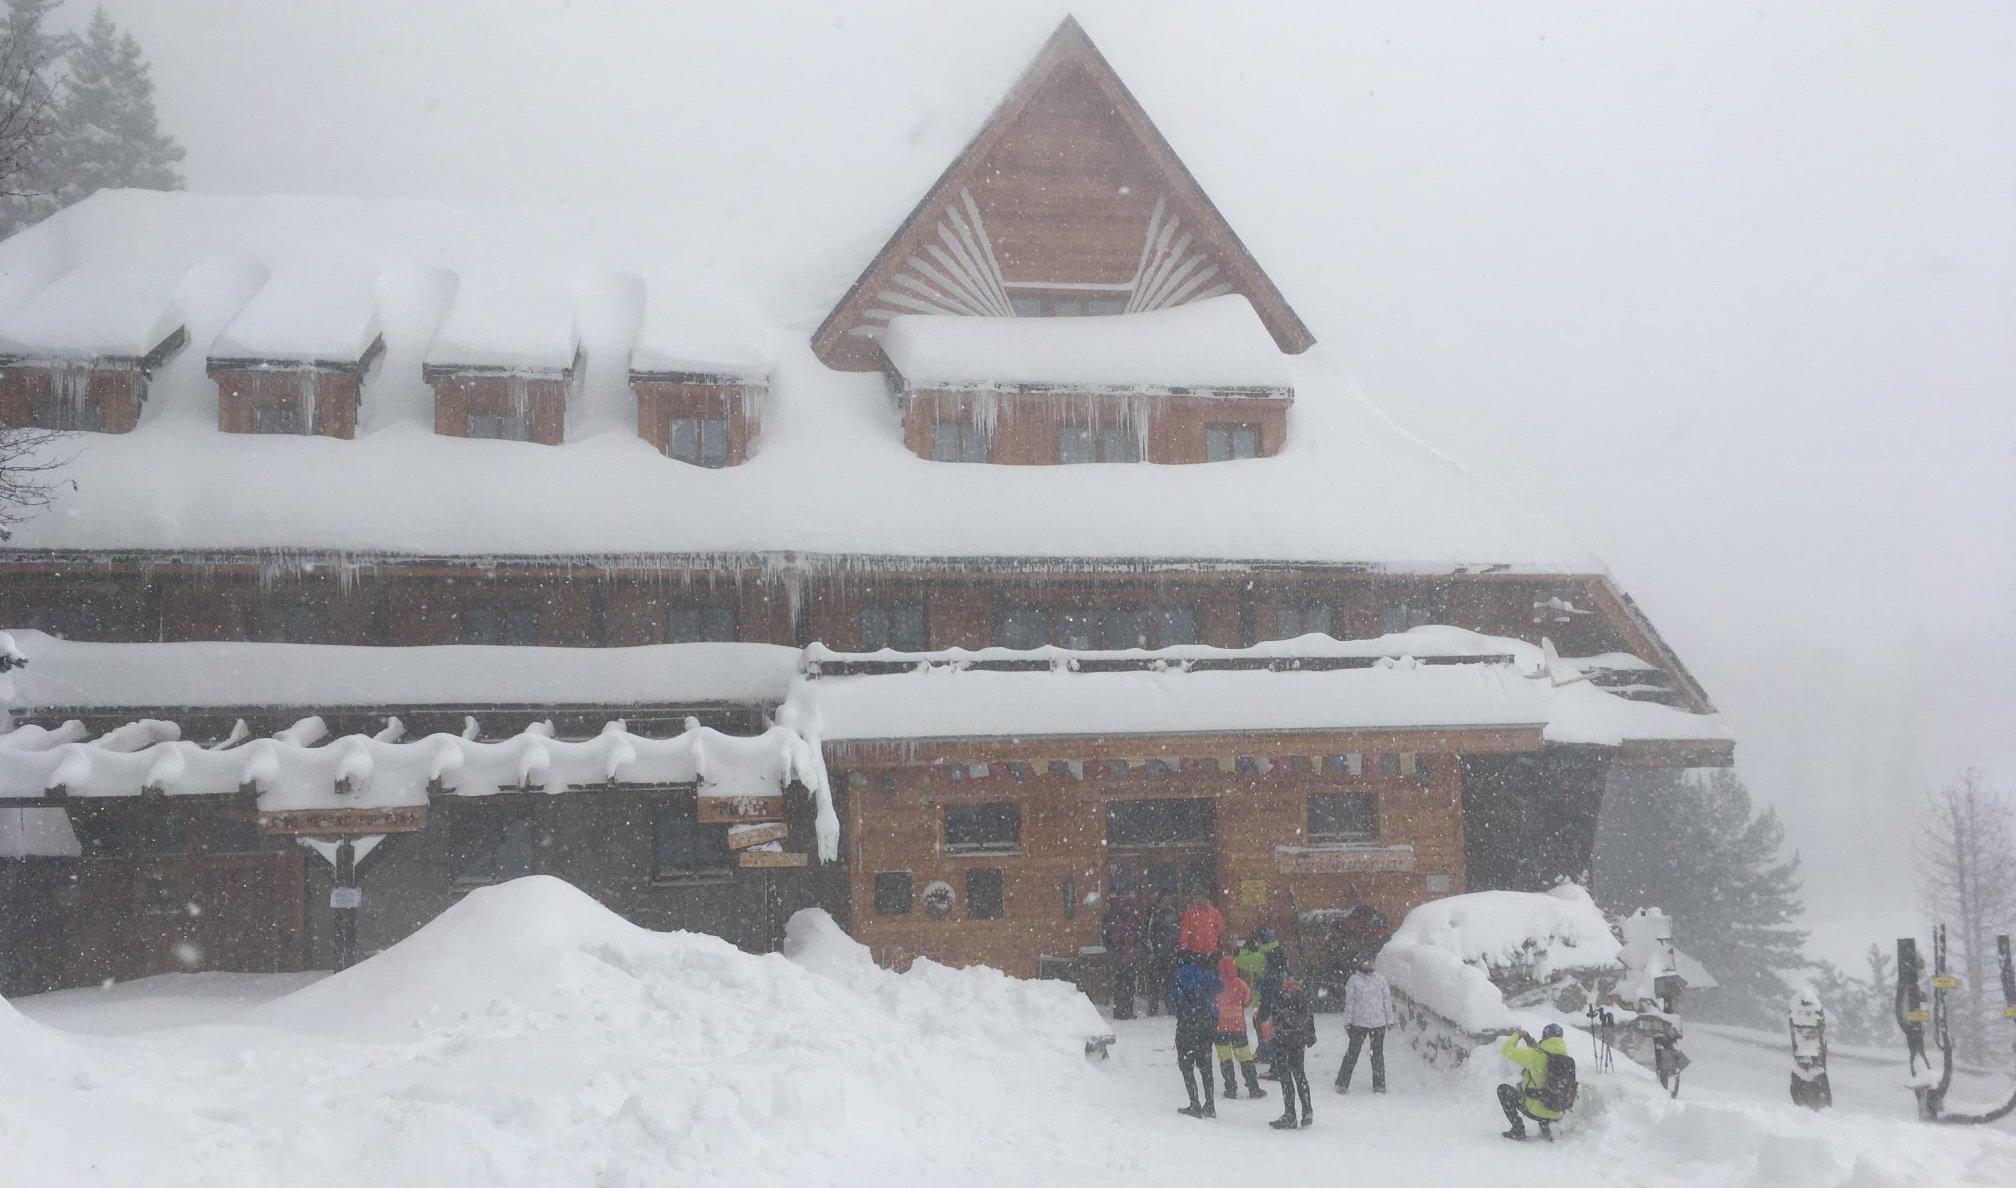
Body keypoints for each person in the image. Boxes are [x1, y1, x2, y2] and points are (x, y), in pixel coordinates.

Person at [1497, 1024, 1572, 1141]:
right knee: (1545, 1093)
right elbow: (1545, 1056)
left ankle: (1518, 1130)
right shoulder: (1565, 1058)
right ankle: (1546, 1127)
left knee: (1503, 1090)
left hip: (1536, 1111)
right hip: (1558, 1111)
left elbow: (1507, 1050)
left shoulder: (1535, 1056)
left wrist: (1517, 1035)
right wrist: (1536, 1046)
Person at [1168, 958, 1223, 1118]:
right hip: (1207, 1025)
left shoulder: (1179, 980)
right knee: (1206, 1066)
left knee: (1186, 1066)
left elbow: (1173, 1001)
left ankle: (1194, 1103)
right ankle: (1210, 1104)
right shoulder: (1207, 976)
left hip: (1188, 1026)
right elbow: (1220, 986)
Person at [1334, 956, 1394, 1094]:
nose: (1371, 964)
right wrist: (1348, 1022)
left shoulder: (1380, 980)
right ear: (1360, 964)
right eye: (1367, 962)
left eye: (1372, 961)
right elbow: (1349, 1003)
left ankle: (1379, 1085)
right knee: (1352, 1053)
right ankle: (1342, 1082)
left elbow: (1386, 1000)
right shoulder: (1354, 981)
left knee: (1377, 1055)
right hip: (1358, 1023)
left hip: (1378, 1023)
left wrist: (1389, 1019)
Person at [1211, 955, 1266, 1100]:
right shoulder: (1241, 984)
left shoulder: (1215, 984)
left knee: (1225, 1059)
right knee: (1245, 1058)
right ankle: (1253, 1088)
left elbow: (1210, 1002)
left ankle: (1230, 1089)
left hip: (1219, 1027)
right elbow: (1247, 1001)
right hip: (1237, 1027)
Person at [1268, 974, 1317, 1129]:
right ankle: (1307, 1111)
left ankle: (1290, 1115)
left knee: (1286, 1078)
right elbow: (1308, 1016)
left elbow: (1276, 1017)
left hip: (1284, 1039)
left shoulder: (1285, 994)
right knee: (1300, 1075)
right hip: (1298, 1040)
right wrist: (1309, 1035)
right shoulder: (1301, 992)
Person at [1236, 927, 1285, 1073]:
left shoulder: (1261, 957)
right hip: (1278, 997)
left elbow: (1240, 962)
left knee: (1263, 1028)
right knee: (1272, 1029)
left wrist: (1245, 949)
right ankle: (1265, 1053)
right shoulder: (1279, 952)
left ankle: (1270, 1058)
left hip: (1264, 998)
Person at [1101, 897, 1145, 1020]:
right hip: (1121, 956)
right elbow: (1107, 938)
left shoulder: (1131, 919)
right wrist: (1114, 949)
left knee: (1129, 985)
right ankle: (1120, 1010)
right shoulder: (1115, 920)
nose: (1127, 909)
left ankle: (1127, 1010)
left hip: (1129, 956)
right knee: (1122, 984)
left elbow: (1139, 936)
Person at [1145, 892, 1182, 1016]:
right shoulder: (1154, 914)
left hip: (1171, 953)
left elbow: (1178, 933)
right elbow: (1148, 934)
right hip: (1157, 953)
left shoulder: (1174, 914)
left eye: (1169, 899)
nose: (1167, 902)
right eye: (1165, 900)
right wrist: (1150, 951)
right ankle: (1153, 1008)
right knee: (1154, 983)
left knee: (1170, 982)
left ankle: (1171, 1007)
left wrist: (1177, 949)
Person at [1179, 894, 1226, 966]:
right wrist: (1184, 947)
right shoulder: (1189, 913)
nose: (1201, 900)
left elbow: (1220, 928)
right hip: (1195, 950)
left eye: (1203, 897)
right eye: (1199, 897)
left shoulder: (1213, 912)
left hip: (1209, 950)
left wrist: (1212, 937)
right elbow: (1184, 931)